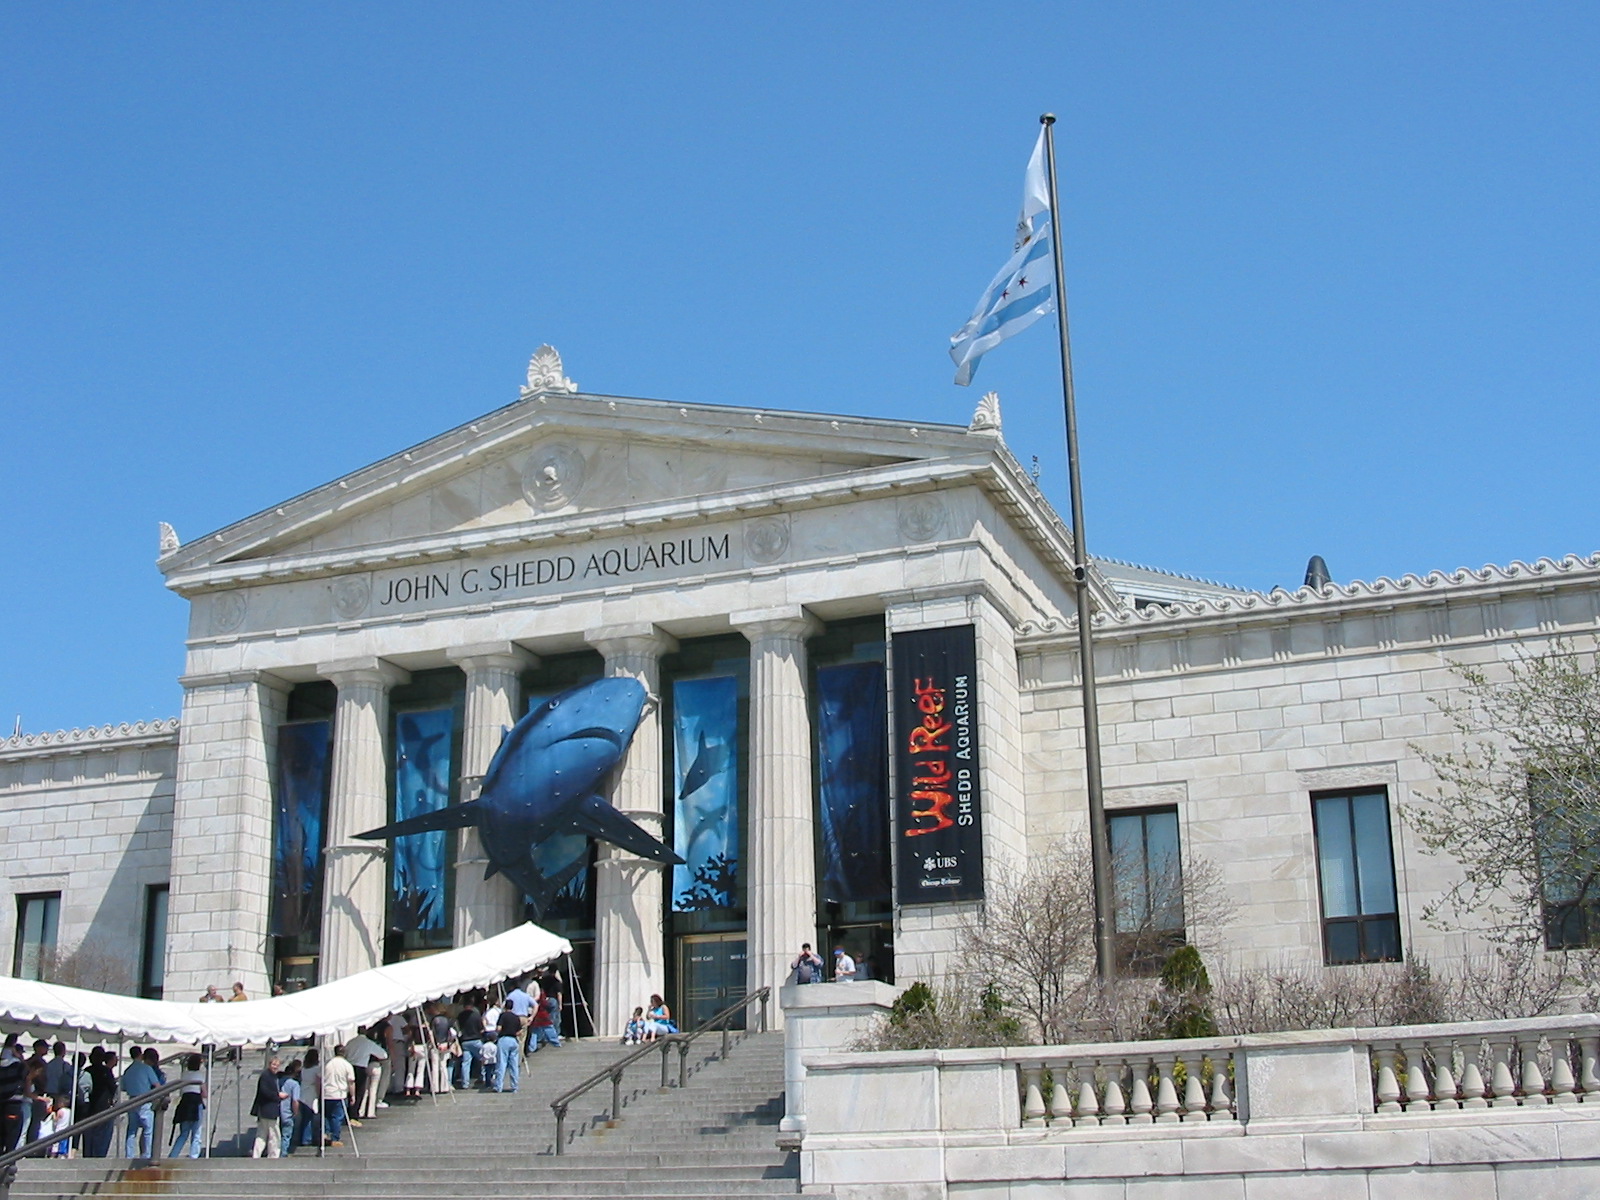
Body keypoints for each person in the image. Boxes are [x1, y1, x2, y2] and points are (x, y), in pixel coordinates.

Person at [119, 1046, 160, 1158]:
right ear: (140, 1055)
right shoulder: (146, 1068)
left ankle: (129, 1155)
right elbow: (157, 1085)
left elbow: (123, 1087)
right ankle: (146, 1154)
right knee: (148, 1129)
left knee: (132, 1130)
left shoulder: (127, 1070)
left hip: (132, 1099)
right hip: (145, 1099)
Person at [343, 1025, 388, 1119]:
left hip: (350, 1066)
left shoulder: (351, 1042)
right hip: (361, 1067)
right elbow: (383, 1055)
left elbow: (345, 1052)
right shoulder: (368, 1043)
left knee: (349, 1091)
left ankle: (348, 1112)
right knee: (360, 1091)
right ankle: (355, 1114)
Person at [81, 1047, 117, 1158]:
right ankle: (98, 1155)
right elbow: (113, 1088)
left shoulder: (87, 1070)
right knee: (101, 1134)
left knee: (88, 1133)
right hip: (102, 1106)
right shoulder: (105, 1071)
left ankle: (88, 1154)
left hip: (88, 1106)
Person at [169, 1053, 206, 1159]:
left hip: (184, 1103)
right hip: (196, 1103)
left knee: (184, 1133)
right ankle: (194, 1156)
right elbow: (205, 1093)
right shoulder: (200, 1075)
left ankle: (173, 1155)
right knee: (196, 1133)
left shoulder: (184, 1074)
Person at [0, 1034, 31, 1154]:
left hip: (1, 1103)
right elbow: (26, 1072)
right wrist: (19, 1057)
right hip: (13, 1104)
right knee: (12, 1136)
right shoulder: (18, 1065)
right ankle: (9, 1163)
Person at [319, 1045, 356, 1147]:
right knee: (337, 1117)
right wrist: (352, 1095)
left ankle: (325, 1134)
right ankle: (335, 1137)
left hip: (327, 1093)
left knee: (326, 1116)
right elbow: (351, 1082)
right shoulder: (347, 1065)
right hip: (339, 1094)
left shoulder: (327, 1063)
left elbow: (320, 1077)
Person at [248, 1057, 284, 1158]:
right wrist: (278, 1096)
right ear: (269, 1064)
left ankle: (257, 1155)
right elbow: (265, 1092)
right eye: (273, 1064)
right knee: (274, 1134)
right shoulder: (266, 1076)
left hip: (264, 1110)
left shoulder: (271, 1076)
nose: (275, 1067)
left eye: (277, 1065)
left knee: (262, 1134)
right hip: (269, 1110)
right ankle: (273, 1155)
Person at [293, 1049, 319, 1151]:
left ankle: (302, 1138)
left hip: (302, 1095)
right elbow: (318, 1083)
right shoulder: (317, 1069)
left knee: (304, 1119)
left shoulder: (303, 1069)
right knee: (309, 1119)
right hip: (311, 1096)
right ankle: (306, 1139)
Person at [493, 1005, 522, 1094]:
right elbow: (519, 1031)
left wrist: (497, 1032)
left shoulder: (503, 1015)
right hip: (514, 1040)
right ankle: (514, 1086)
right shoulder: (516, 1017)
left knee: (502, 1063)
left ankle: (498, 1086)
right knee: (514, 1064)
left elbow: (499, 1028)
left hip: (504, 1039)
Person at [456, 1003, 485, 1088]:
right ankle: (483, 1077)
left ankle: (465, 1083)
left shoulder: (460, 1016)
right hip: (476, 1040)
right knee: (483, 1058)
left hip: (465, 1041)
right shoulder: (476, 1015)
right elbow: (481, 1028)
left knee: (466, 1063)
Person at [278, 1061, 300, 1155]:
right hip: (287, 1113)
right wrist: (296, 1112)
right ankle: (283, 1153)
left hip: (276, 1112)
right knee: (286, 1135)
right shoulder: (294, 1084)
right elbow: (295, 1100)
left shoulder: (278, 1081)